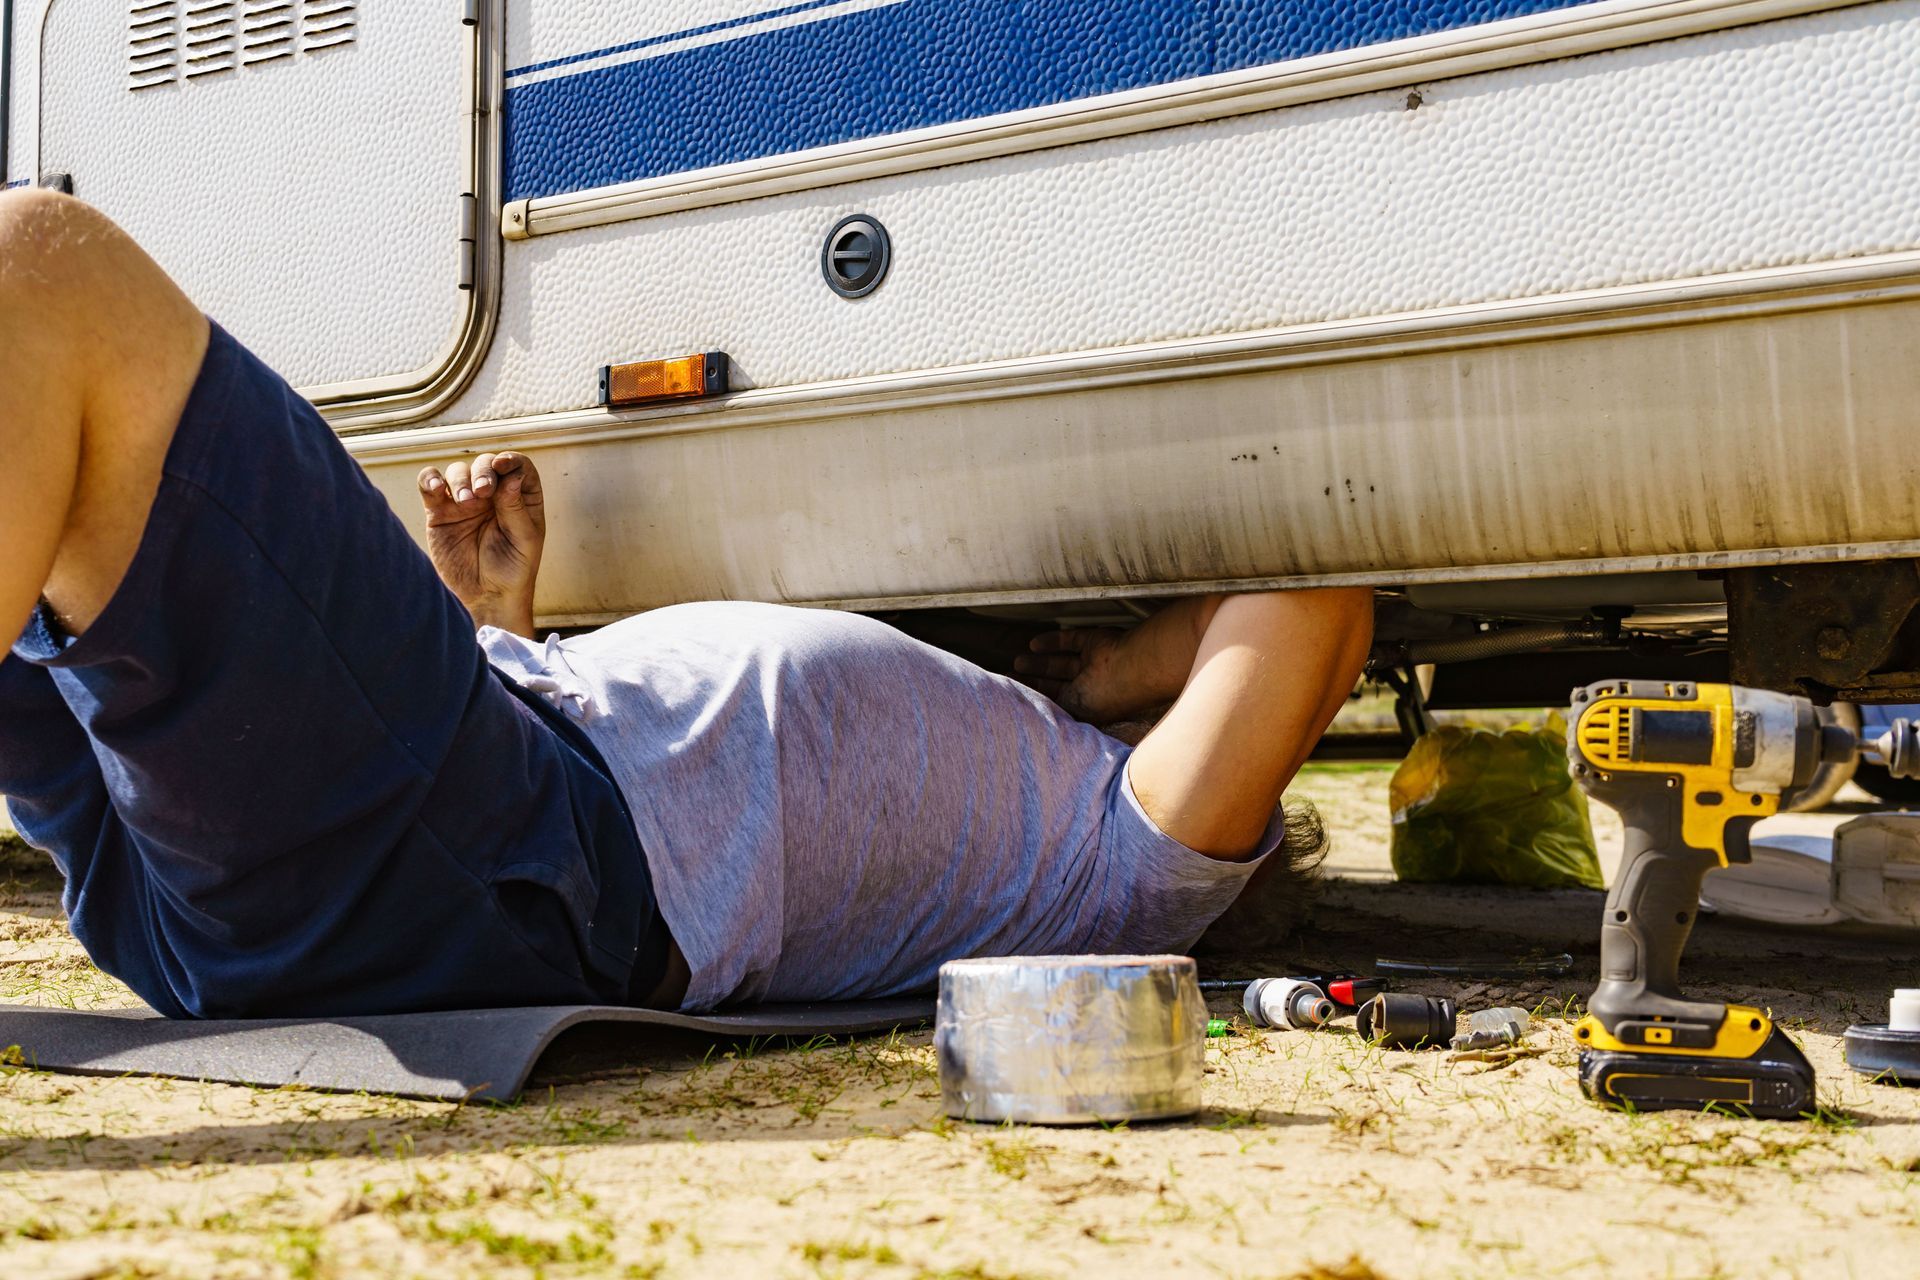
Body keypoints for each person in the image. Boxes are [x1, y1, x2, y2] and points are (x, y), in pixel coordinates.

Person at [0, 190, 1372, 1019]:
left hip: (497, 869)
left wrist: (1109, 680)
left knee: (43, 266)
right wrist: (502, 623)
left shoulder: (1126, 879)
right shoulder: (1049, 800)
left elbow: (1311, 602)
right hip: (444, 833)